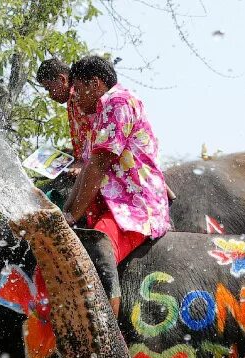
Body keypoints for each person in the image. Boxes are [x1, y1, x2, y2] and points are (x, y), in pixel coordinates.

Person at [62, 55, 171, 316]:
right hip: (111, 202)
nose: (74, 98)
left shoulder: (117, 102)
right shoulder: (98, 114)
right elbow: (88, 168)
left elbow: (99, 165)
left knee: (95, 255)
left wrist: (71, 215)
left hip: (132, 206)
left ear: (95, 84)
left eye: (78, 89)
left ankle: (107, 343)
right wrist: (66, 213)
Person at [36, 57, 92, 160]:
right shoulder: (71, 101)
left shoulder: (81, 96)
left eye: (49, 88)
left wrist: (82, 163)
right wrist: (74, 153)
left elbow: (98, 137)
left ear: (62, 79)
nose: (50, 95)